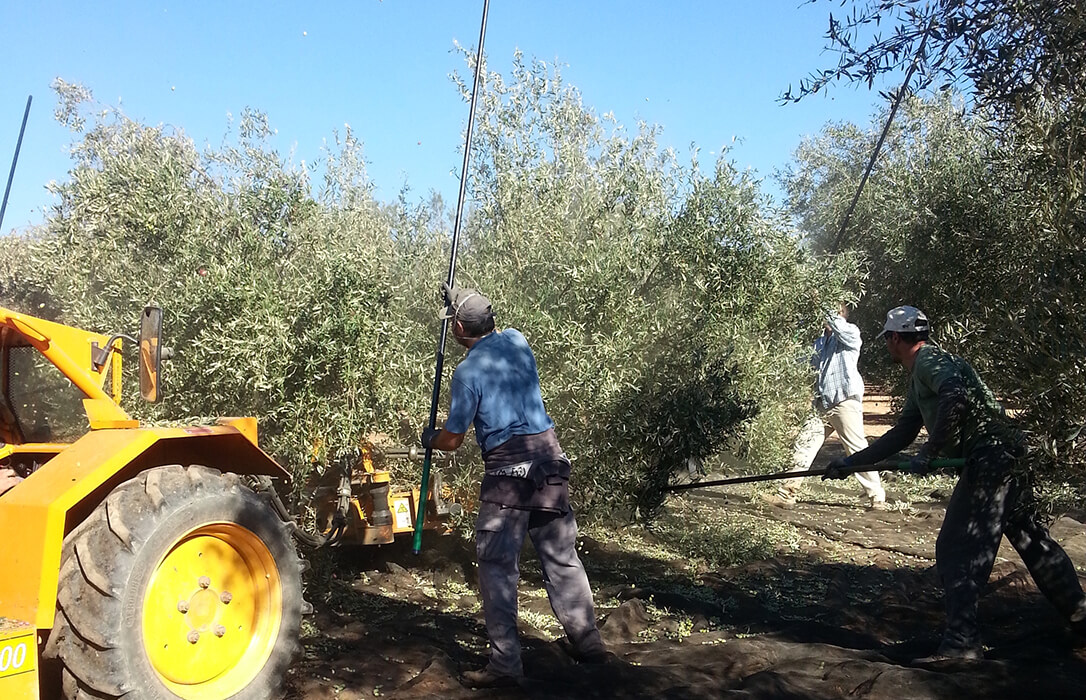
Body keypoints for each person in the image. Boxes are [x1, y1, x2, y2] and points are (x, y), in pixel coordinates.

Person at [824, 305, 1086, 662]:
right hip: (1010, 454)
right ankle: (1081, 615)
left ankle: (962, 643)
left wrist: (930, 451)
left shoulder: (929, 361)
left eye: (887, 338)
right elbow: (903, 432)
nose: (887, 344)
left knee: (955, 549)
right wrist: (850, 462)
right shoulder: (921, 373)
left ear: (895, 338)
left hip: (990, 458)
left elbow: (956, 396)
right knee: (1030, 538)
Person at [421, 286, 609, 689]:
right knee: (561, 556)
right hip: (550, 466)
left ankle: (506, 664)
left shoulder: (466, 373)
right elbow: (488, 326)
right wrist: (459, 299)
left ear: (457, 327)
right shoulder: (517, 340)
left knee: (497, 568)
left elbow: (452, 439)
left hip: (509, 478)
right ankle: (589, 642)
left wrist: (428, 438)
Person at [763, 306, 886, 510]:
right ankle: (787, 494)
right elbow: (803, 362)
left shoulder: (851, 333)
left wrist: (820, 301)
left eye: (831, 312)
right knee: (804, 445)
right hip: (822, 405)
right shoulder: (820, 342)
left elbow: (836, 323)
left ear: (840, 315)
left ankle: (877, 497)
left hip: (844, 401)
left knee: (856, 448)